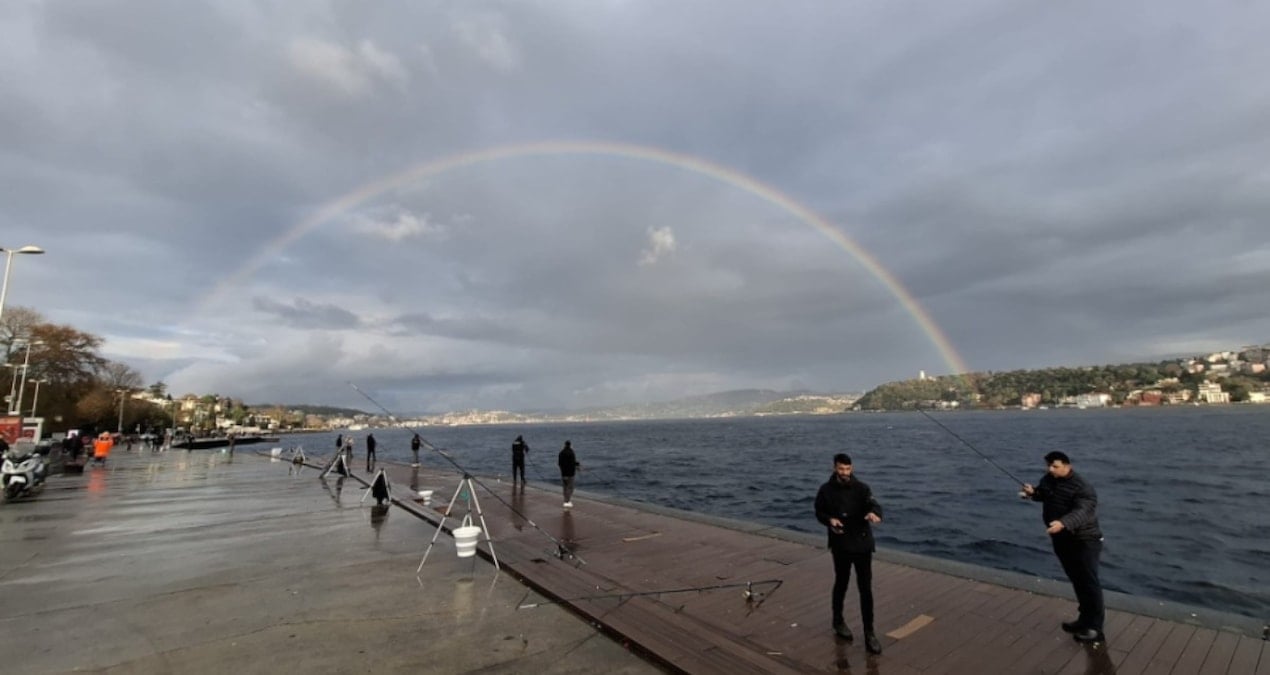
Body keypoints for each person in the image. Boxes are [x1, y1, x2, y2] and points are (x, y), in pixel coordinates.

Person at [1022, 451, 1105, 644]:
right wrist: (1033, 493)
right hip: (1061, 539)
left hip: (1084, 540)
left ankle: (1095, 628)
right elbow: (1046, 494)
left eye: (1055, 466)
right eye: (1049, 466)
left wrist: (1063, 523)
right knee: (1077, 580)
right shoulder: (1049, 479)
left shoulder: (1083, 488)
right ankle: (1084, 620)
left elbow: (1082, 511)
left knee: (1088, 582)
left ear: (1068, 466)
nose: (1051, 470)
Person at [814, 453, 884, 655]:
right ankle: (838, 621)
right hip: (841, 544)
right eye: (841, 469)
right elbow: (819, 512)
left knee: (865, 589)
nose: (844, 472)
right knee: (841, 583)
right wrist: (830, 520)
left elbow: (874, 504)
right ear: (835, 468)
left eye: (847, 469)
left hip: (862, 544)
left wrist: (874, 514)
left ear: (851, 468)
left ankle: (869, 633)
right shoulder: (825, 490)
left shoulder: (862, 488)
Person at [557, 440, 580, 508]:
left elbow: (559, 463)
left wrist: (562, 470)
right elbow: (573, 462)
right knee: (570, 488)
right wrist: (577, 465)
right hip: (571, 473)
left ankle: (565, 501)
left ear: (564, 445)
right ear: (570, 445)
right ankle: (568, 501)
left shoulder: (561, 453)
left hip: (564, 473)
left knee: (565, 487)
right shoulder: (572, 453)